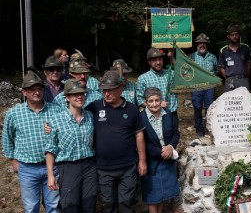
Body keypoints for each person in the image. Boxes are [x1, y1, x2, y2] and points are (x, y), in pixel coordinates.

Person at [85, 70, 147, 213]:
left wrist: (142, 161)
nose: (106, 93)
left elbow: (139, 135)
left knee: (127, 204)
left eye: (110, 90)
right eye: (104, 90)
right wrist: (51, 125)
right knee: (108, 205)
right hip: (104, 168)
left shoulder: (132, 109)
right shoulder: (94, 107)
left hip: (128, 167)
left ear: (121, 88)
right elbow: (76, 117)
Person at [2, 71, 60, 212]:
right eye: (32, 89)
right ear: (24, 92)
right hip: (27, 168)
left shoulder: (56, 110)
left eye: (39, 88)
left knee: (53, 206)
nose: (36, 92)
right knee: (31, 207)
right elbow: (7, 138)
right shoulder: (14, 113)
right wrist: (13, 161)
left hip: (53, 167)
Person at [45, 79, 98, 212]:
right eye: (75, 94)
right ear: (67, 97)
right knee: (70, 205)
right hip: (68, 167)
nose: (79, 97)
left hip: (89, 166)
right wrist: (50, 175)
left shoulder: (90, 116)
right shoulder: (56, 120)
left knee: (89, 205)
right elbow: (51, 149)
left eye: (82, 93)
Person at [140, 87, 180, 213]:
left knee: (163, 195)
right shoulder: (140, 118)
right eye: (150, 101)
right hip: (152, 162)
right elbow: (142, 142)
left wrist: (170, 147)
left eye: (157, 100)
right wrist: (161, 152)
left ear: (161, 100)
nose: (154, 104)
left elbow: (176, 134)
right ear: (146, 102)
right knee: (153, 196)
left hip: (168, 160)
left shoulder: (168, 114)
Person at [188, 33, 218, 137]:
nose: (202, 45)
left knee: (209, 108)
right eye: (200, 43)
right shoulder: (191, 57)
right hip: (196, 86)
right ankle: (199, 130)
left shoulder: (213, 57)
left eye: (204, 43)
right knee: (197, 107)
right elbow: (185, 70)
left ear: (207, 44)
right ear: (197, 45)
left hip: (209, 86)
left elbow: (217, 70)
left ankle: (209, 128)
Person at [136, 48, 178, 116]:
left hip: (172, 114)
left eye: (160, 59)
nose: (158, 62)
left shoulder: (171, 74)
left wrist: (172, 57)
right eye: (154, 60)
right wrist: (157, 106)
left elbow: (182, 72)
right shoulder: (143, 79)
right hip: (154, 116)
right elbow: (140, 101)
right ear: (149, 62)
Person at [218, 24, 251, 91]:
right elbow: (222, 68)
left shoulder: (245, 48)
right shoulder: (223, 50)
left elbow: (249, 65)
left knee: (244, 100)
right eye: (232, 35)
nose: (234, 37)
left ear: (239, 35)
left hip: (243, 80)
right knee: (230, 101)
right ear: (228, 36)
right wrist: (228, 78)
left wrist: (245, 76)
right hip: (229, 81)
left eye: (236, 34)